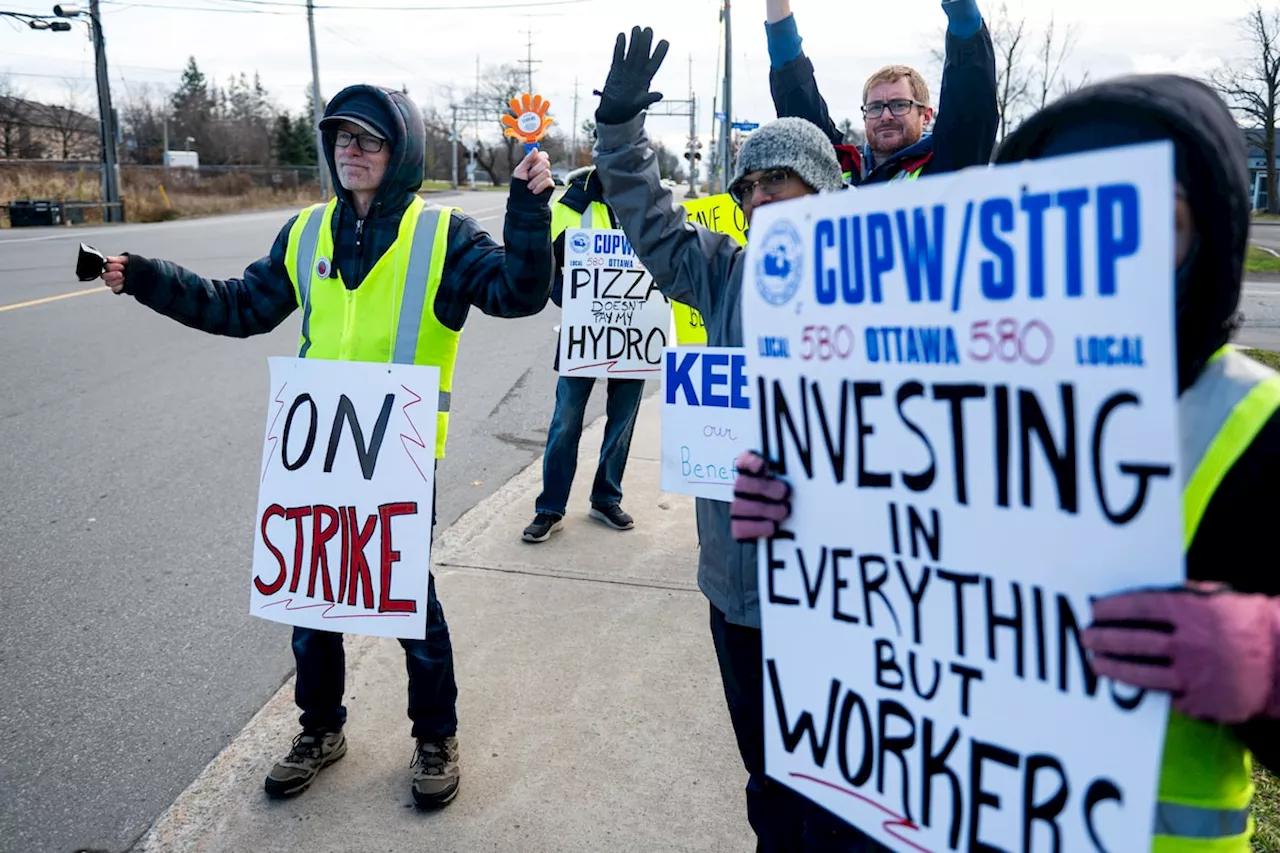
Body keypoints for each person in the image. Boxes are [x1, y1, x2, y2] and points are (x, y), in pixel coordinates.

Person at [733, 73, 1280, 851]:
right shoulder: (947, 391)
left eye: (1146, 225)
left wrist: (1266, 664)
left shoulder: (1252, 424)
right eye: (1063, 221)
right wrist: (800, 506)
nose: (1102, 258)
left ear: (1214, 234)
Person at [98, 84, 555, 808]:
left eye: (368, 139)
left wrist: (529, 211)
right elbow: (239, 305)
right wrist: (151, 278)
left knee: (403, 598)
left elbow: (519, 293)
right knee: (312, 597)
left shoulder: (444, 237)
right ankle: (320, 729)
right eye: (341, 136)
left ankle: (435, 733)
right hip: (314, 450)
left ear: (399, 150)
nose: (351, 149)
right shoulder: (306, 232)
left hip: (394, 453)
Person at [592, 25, 891, 852]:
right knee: (767, 780)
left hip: (843, 601)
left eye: (780, 181)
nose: (758, 198)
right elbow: (646, 217)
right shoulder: (717, 270)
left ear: (826, 193)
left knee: (843, 796)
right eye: (749, 186)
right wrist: (618, 131)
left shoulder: (883, 297)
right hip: (739, 594)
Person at [523, 165, 645, 543]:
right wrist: (571, 300)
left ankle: (606, 497)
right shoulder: (573, 203)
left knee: (622, 420)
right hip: (584, 328)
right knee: (566, 420)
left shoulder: (647, 200)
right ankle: (550, 508)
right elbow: (547, 263)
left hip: (635, 327)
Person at [765, 0, 998, 185]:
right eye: (875, 107)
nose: (885, 116)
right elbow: (795, 89)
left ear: (926, 115)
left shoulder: (951, 161)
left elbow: (970, 85)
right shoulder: (835, 166)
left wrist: (960, 9)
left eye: (899, 104)